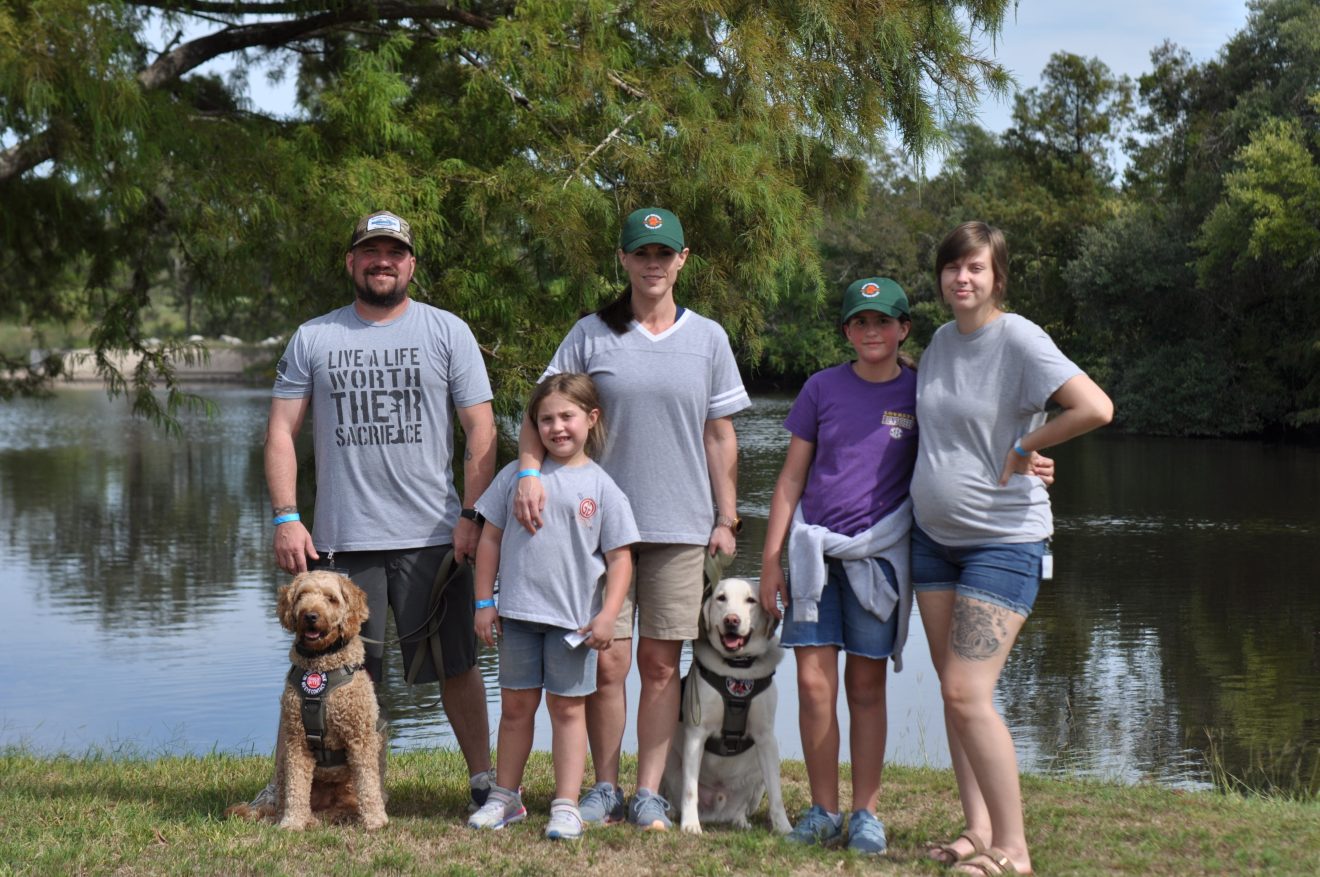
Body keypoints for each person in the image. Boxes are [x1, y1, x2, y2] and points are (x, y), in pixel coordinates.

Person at [512, 207, 750, 830]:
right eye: (641, 253)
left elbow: (720, 435)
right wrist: (530, 474)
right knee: (608, 660)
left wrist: (728, 517)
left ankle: (649, 792)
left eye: (663, 253)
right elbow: (541, 411)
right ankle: (604, 787)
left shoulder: (709, 338)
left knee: (661, 664)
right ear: (623, 259)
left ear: (682, 260)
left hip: (681, 526)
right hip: (597, 531)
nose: (653, 264)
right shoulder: (590, 333)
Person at [260, 209, 497, 810]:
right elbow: (282, 432)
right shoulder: (314, 337)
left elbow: (481, 431)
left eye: (394, 252)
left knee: (457, 664)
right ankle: (339, 790)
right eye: (371, 251)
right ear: (352, 262)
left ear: (411, 263)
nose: (382, 261)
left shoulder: (448, 331)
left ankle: (483, 782)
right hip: (342, 541)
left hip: (432, 536)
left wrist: (472, 517)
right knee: (344, 675)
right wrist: (287, 515)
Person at [912, 221, 1112, 876]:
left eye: (975, 268)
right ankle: (976, 829)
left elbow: (1095, 407)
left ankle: (1014, 850)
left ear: (997, 276)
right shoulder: (940, 342)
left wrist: (1030, 447)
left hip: (1004, 540)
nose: (961, 278)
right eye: (952, 267)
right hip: (935, 542)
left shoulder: (1019, 338)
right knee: (952, 692)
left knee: (970, 691)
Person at [758, 277, 918, 855]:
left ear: (903, 329)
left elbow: (969, 445)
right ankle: (822, 808)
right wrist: (771, 561)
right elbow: (790, 479)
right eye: (860, 322)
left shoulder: (920, 392)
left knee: (867, 684)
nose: (871, 331)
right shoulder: (821, 388)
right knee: (811, 682)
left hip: (879, 560)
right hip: (813, 558)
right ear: (847, 331)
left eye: (883, 321)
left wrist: (1029, 459)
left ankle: (866, 814)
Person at [467, 374, 638, 840]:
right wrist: (485, 602)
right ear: (534, 425)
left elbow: (621, 559)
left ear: (591, 418)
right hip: (518, 616)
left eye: (567, 416)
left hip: (573, 625)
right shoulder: (516, 478)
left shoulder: (603, 487)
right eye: (546, 419)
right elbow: (490, 541)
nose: (557, 427)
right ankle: (506, 796)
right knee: (517, 707)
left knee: (568, 711)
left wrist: (608, 615)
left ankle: (566, 804)